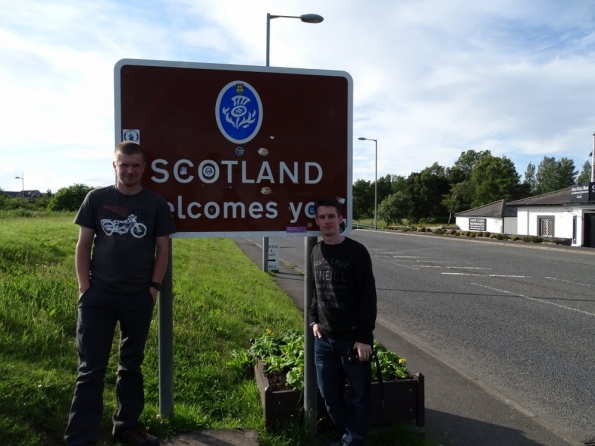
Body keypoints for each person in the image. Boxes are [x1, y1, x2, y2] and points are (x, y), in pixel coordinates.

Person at [64, 141, 176, 446]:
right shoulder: (96, 199)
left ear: (143, 168)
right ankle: (80, 438)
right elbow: (83, 245)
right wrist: (84, 287)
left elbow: (163, 248)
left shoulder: (155, 203)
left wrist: (153, 288)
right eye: (123, 165)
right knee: (90, 370)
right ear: (115, 165)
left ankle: (126, 428)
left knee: (131, 365)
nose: (129, 170)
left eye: (135, 165)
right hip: (97, 296)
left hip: (138, 297)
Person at [308, 197, 378, 446]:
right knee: (330, 395)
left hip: (351, 340)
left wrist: (363, 337)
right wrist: (314, 320)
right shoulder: (316, 250)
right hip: (323, 340)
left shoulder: (356, 252)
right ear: (317, 221)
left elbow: (367, 297)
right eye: (322, 217)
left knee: (360, 396)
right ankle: (346, 436)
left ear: (340, 219)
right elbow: (316, 290)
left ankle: (352, 441)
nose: (327, 221)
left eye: (331, 216)